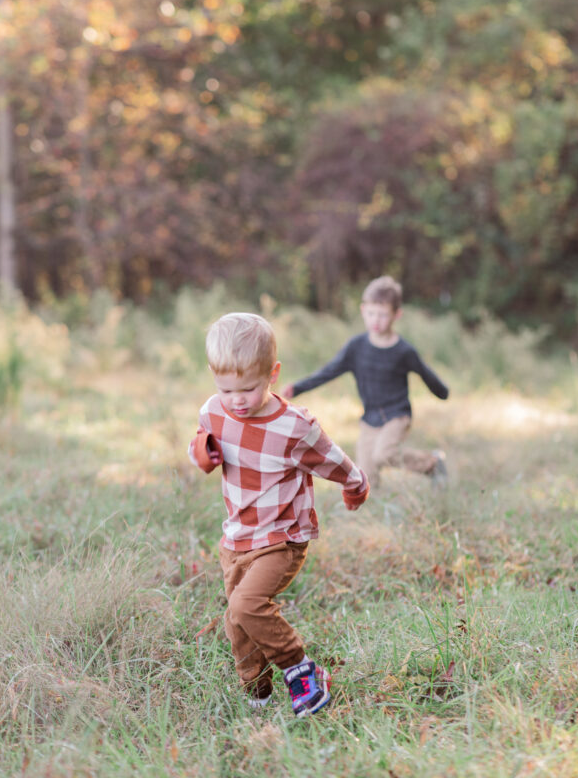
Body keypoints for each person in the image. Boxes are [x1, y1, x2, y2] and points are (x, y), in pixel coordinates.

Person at [188, 311, 369, 718]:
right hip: (236, 538)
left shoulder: (294, 427)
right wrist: (203, 453)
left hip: (282, 538)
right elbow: (199, 444)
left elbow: (332, 459)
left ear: (273, 373)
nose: (236, 400)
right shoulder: (214, 410)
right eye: (225, 388)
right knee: (237, 622)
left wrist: (355, 484)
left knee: (247, 604)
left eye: (248, 389)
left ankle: (301, 671)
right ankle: (258, 693)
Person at [281, 275, 449, 488]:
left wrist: (443, 393)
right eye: (371, 313)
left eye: (382, 315)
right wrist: (297, 388)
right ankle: (375, 511)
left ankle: (432, 463)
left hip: (397, 414)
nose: (375, 320)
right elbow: (329, 371)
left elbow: (426, 374)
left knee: (383, 454)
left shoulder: (403, 351)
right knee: (364, 477)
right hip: (370, 418)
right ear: (363, 311)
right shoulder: (356, 347)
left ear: (397, 314)